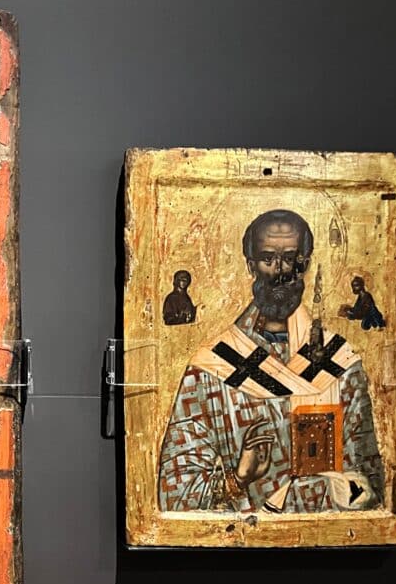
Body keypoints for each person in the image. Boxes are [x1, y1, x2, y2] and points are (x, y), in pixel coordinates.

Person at [158, 210, 384, 513]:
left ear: (305, 264)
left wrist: (301, 493)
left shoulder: (339, 363)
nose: (280, 271)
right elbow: (174, 494)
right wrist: (239, 478)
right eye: (268, 259)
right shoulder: (210, 369)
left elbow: (371, 486)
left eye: (290, 259)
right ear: (251, 265)